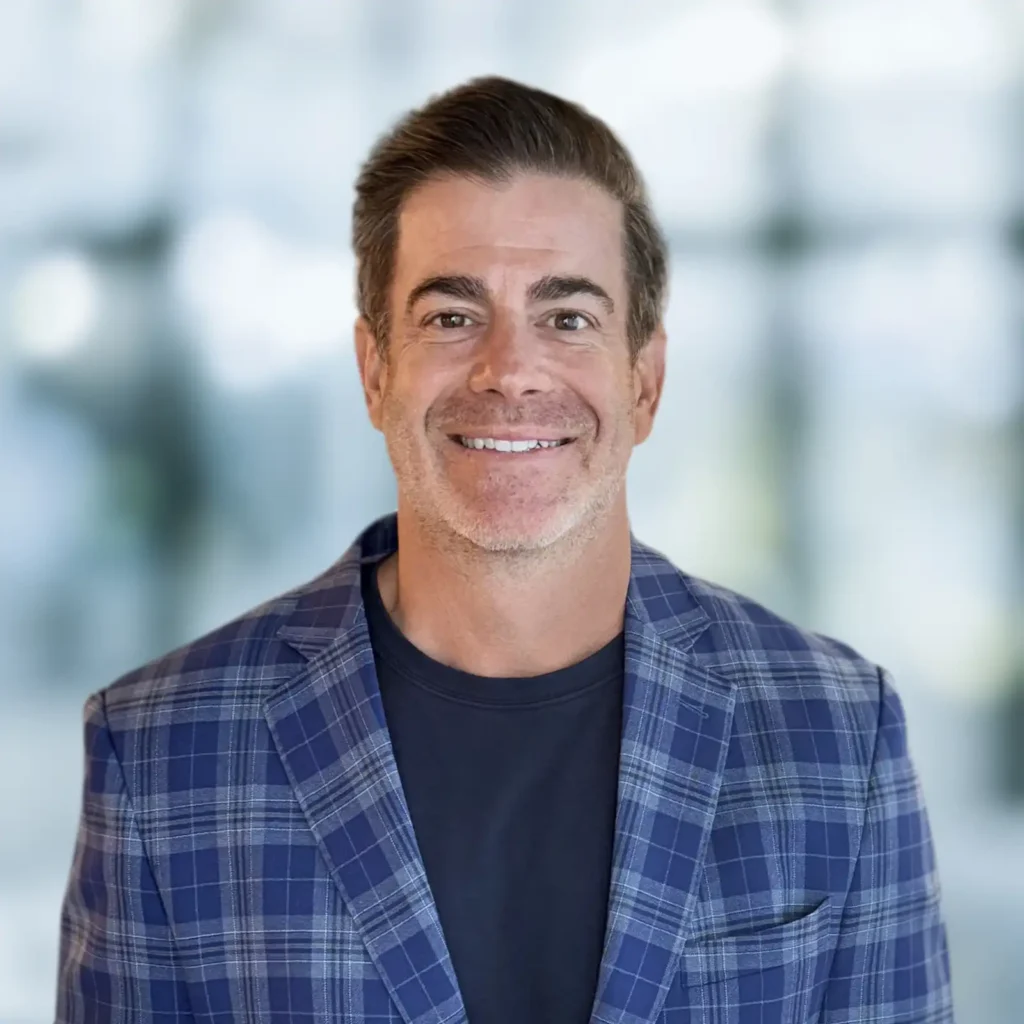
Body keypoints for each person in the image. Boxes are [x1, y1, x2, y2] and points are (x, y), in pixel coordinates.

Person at [56, 76, 954, 1024]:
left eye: (568, 317)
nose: (510, 369)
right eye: (452, 316)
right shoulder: (160, 750)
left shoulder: (839, 733)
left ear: (644, 381)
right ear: (375, 371)